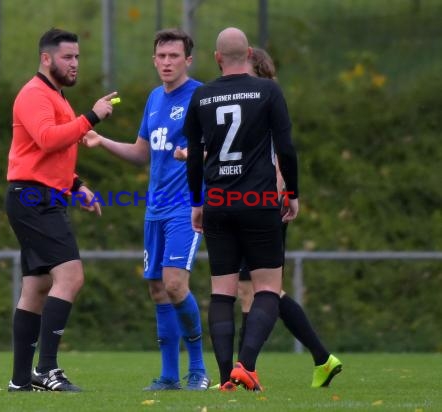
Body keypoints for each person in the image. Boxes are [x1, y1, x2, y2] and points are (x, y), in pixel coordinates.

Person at [81, 28, 210, 391]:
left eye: (174, 56)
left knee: (174, 283)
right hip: (153, 209)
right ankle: (169, 376)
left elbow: (219, 150)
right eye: (162, 56)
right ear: (154, 60)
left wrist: (195, 156)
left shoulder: (200, 96)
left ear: (188, 59)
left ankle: (198, 369)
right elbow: (142, 154)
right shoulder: (155, 98)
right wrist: (100, 139)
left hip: (186, 206)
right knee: (157, 289)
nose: (167, 62)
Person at [184, 27, 299, 392]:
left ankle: (224, 380)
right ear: (248, 54)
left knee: (222, 292)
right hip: (259, 201)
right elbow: (286, 148)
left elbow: (194, 161)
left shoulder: (201, 96)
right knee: (267, 288)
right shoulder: (267, 90)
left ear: (216, 58)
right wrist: (292, 193)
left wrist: (197, 203)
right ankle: (245, 365)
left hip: (217, 202)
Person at [4, 28, 117, 392]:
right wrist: (92, 117)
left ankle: (21, 380)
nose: (74, 64)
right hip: (32, 198)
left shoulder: (57, 97)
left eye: (78, 57)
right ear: (46, 58)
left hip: (44, 195)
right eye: (68, 57)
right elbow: (47, 139)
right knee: (71, 276)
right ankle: (48, 370)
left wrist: (77, 185)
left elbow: (53, 154)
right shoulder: (35, 93)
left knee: (36, 287)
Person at [236, 48, 342, 389]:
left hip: (265, 205)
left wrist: (280, 193)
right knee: (260, 289)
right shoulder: (252, 102)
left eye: (244, 71)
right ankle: (321, 358)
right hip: (251, 204)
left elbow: (281, 152)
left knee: (255, 289)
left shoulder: (265, 102)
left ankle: (243, 371)